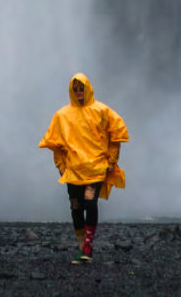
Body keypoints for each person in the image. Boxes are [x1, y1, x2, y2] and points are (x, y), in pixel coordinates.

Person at [38, 73, 128, 263]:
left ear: (88, 89)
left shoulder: (101, 111)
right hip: (73, 172)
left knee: (89, 203)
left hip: (95, 170)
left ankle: (87, 248)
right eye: (76, 88)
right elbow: (56, 145)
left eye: (82, 88)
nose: (79, 92)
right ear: (72, 90)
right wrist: (61, 167)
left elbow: (117, 134)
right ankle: (82, 248)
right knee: (75, 207)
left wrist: (111, 162)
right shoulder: (62, 115)